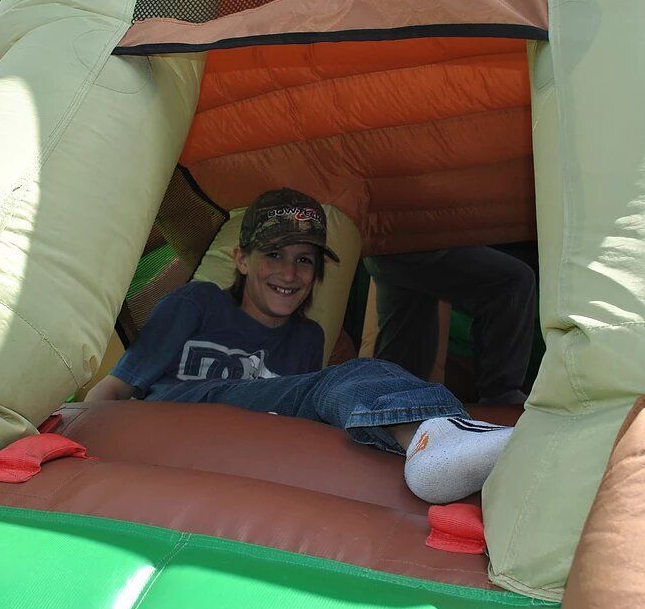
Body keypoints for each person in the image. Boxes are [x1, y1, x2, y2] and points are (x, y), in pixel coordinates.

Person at [88, 188, 513, 504]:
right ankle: (435, 438)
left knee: (333, 394)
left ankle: (437, 446)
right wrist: (83, 437)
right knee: (343, 379)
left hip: (253, 443)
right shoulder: (197, 302)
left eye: (304, 260)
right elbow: (118, 385)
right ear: (241, 259)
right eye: (273, 255)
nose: (289, 273)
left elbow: (298, 418)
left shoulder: (306, 338)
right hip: (180, 413)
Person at [363, 247, 536, 406]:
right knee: (512, 283)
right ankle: (501, 396)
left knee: (406, 348)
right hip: (408, 238)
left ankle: (385, 409)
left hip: (388, 241)